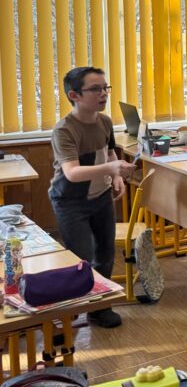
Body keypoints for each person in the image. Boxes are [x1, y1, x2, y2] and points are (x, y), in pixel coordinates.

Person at [49, 67, 136, 329]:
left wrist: (116, 176)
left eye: (105, 88)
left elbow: (109, 154)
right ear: (74, 95)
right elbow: (72, 173)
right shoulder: (64, 130)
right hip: (70, 201)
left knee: (106, 254)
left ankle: (99, 308)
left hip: (100, 197)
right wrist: (112, 168)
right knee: (81, 258)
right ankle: (73, 308)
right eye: (95, 89)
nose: (103, 94)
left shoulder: (105, 122)